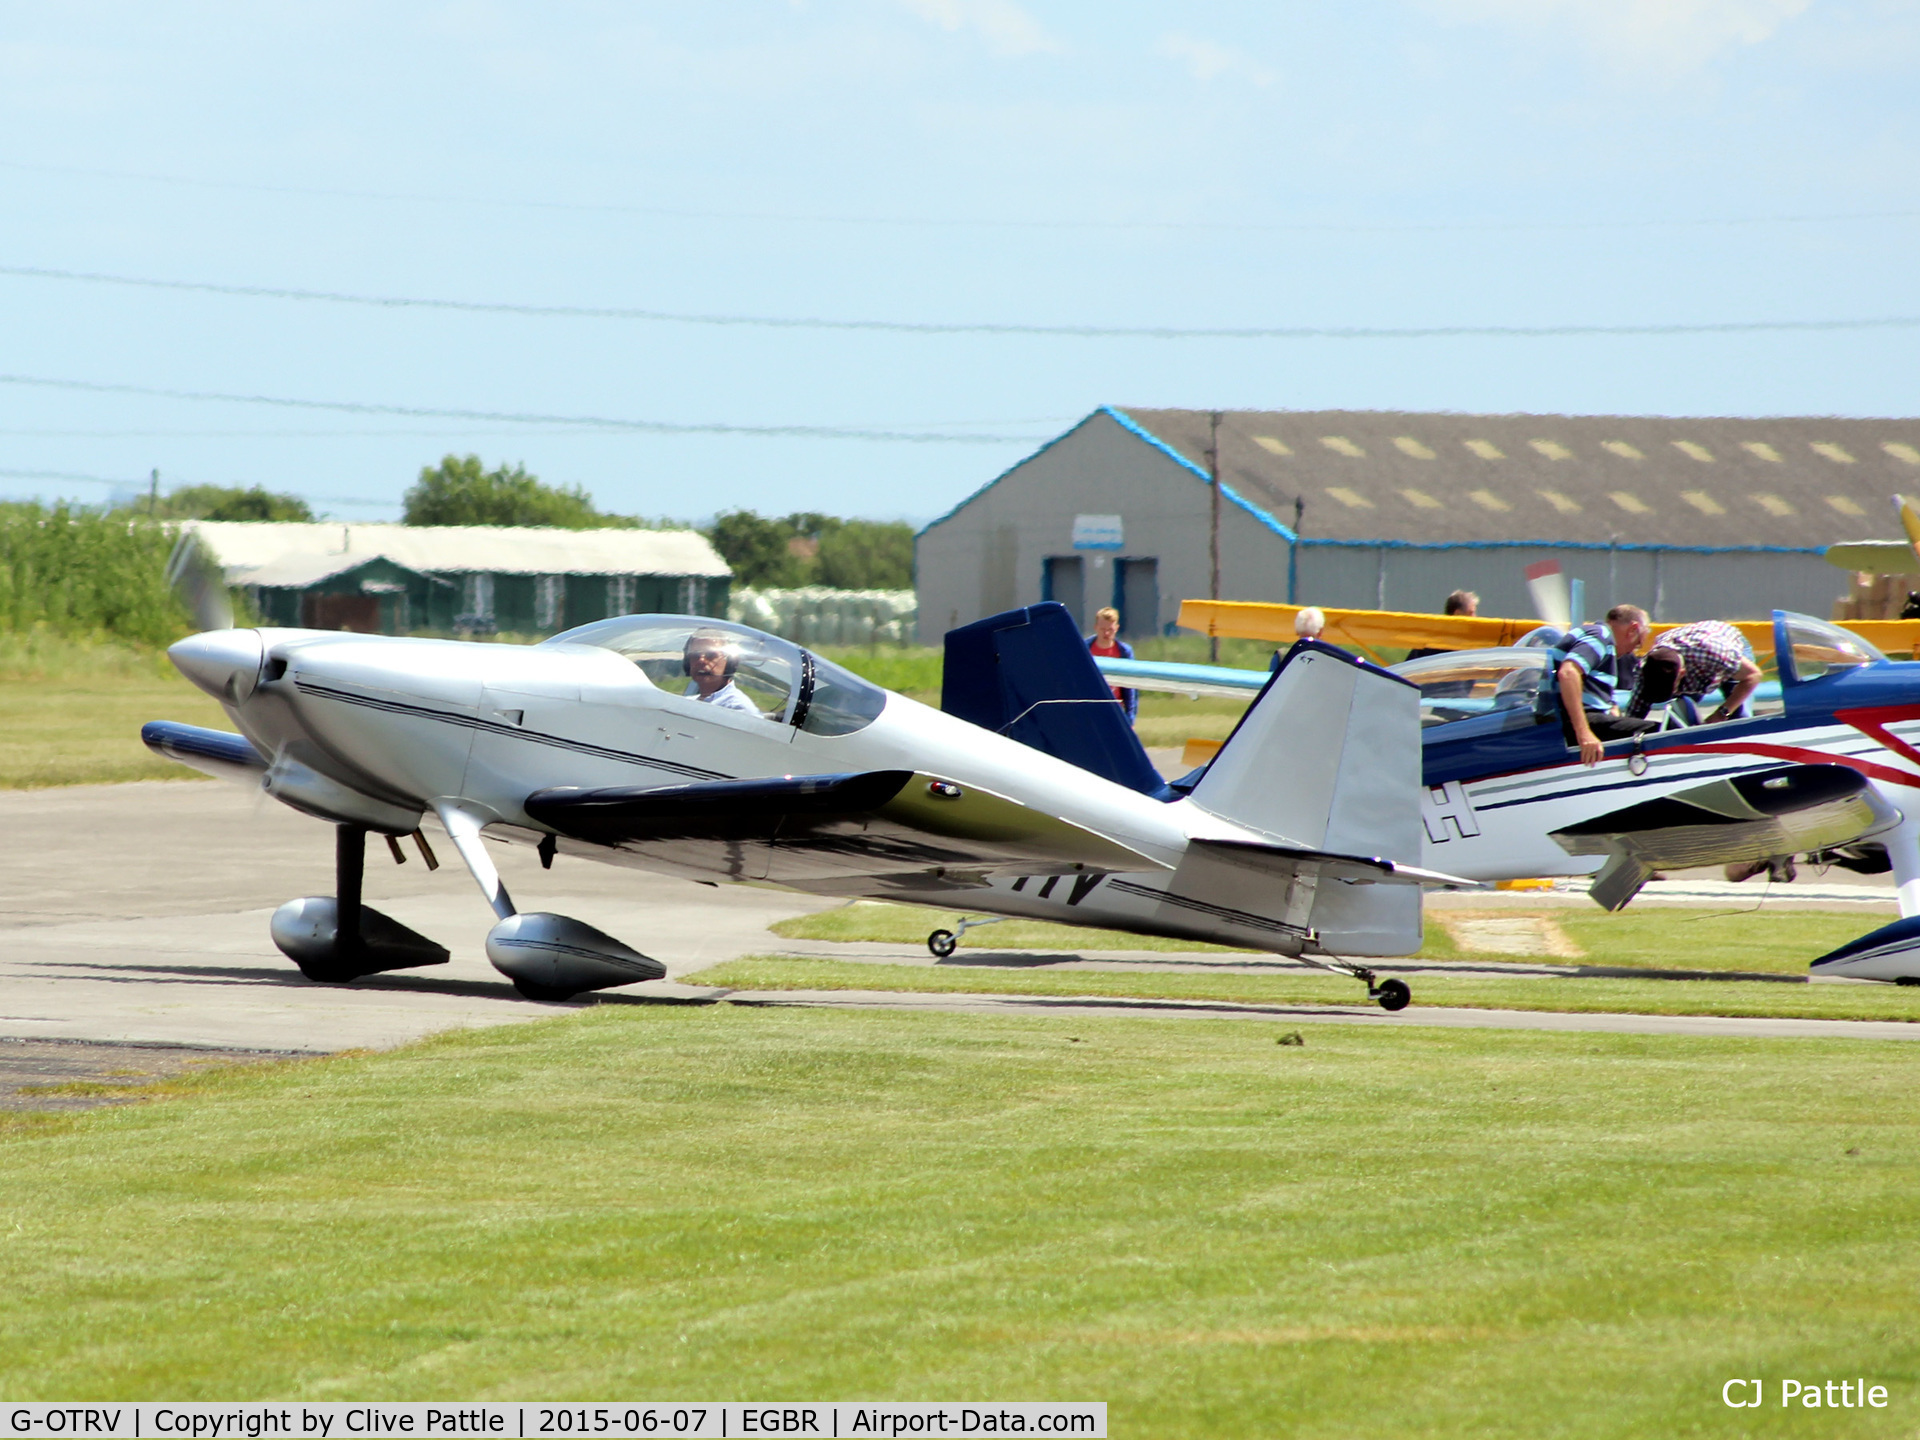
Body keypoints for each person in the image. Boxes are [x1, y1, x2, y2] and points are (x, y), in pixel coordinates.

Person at [1534, 603, 1653, 766]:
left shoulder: (1600, 640)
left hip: (1571, 720)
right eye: (1637, 643)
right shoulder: (1601, 635)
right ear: (1633, 629)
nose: (1632, 651)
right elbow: (1568, 673)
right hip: (1574, 722)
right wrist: (1584, 733)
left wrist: (1611, 706)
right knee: (1660, 730)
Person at [1645, 620, 1764, 723]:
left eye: (1674, 688)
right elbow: (1637, 707)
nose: (1675, 691)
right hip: (1694, 658)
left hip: (1725, 652)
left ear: (1681, 674)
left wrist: (1722, 713)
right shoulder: (1647, 666)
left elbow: (1753, 675)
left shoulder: (1717, 655)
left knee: (1740, 716)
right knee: (1680, 714)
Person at [682, 631, 758, 713]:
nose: (701, 660)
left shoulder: (737, 707)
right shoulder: (687, 702)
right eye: (695, 655)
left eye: (710, 655)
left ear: (729, 662)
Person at [1086, 607, 1138, 724]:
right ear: (1096, 628)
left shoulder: (1124, 651)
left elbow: (1131, 685)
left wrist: (1130, 718)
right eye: (1102, 629)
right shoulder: (1085, 649)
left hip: (1115, 708)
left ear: (1117, 628)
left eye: (1110, 629)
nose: (1106, 633)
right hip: (1090, 708)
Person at [1406, 590, 1480, 661]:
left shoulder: (1473, 642)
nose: (1475, 617)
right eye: (1471, 613)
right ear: (1457, 614)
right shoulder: (1433, 641)